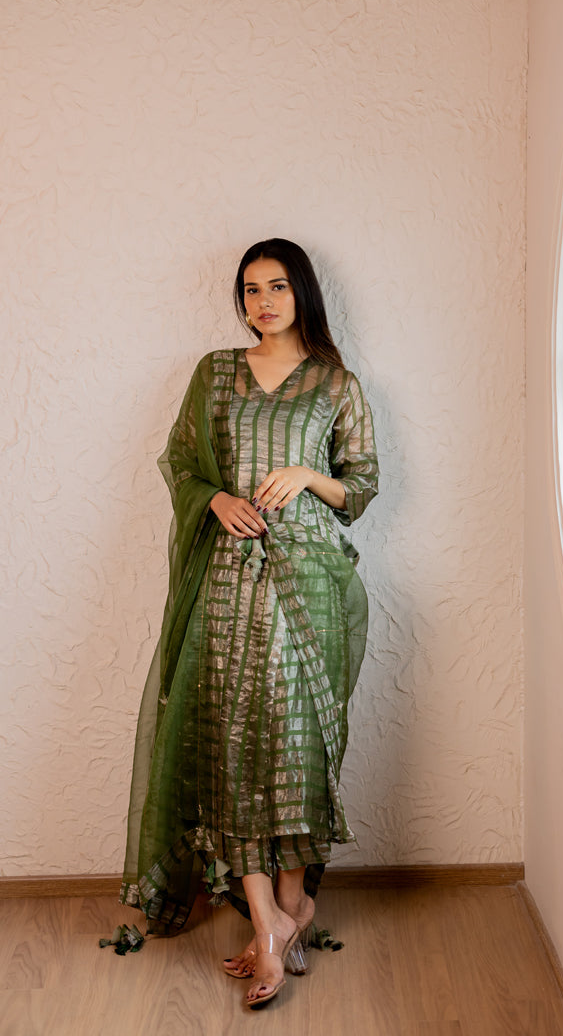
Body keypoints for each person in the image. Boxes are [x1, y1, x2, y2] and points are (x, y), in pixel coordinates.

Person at [119, 238, 379, 1008]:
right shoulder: (215, 374)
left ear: (303, 293)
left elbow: (362, 487)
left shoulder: (335, 384)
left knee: (296, 743)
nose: (262, 302)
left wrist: (308, 475)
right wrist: (215, 498)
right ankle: (268, 922)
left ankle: (293, 905)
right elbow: (181, 462)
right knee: (229, 743)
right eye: (251, 289)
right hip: (230, 580)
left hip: (309, 582)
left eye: (277, 287)